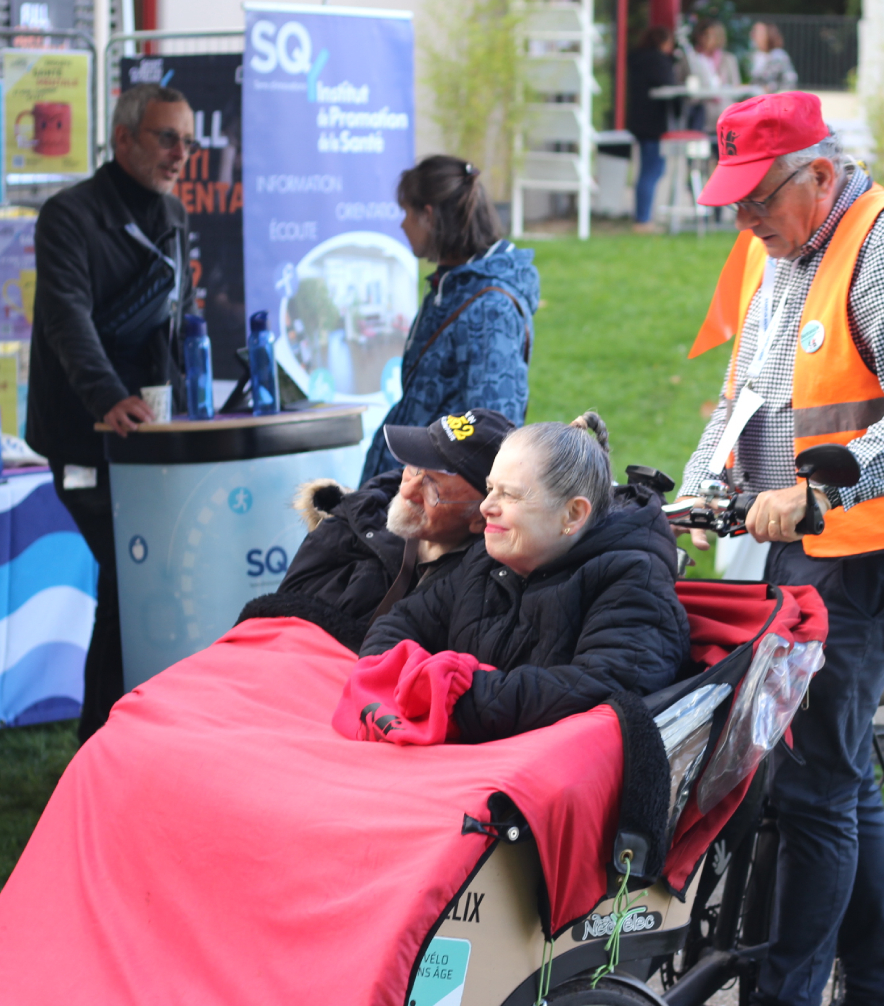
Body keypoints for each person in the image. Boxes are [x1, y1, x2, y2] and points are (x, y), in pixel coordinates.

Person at [678, 92, 884, 1006]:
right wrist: (701, 488)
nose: (744, 219)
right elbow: (746, 394)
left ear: (819, 174)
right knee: (831, 763)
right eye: (733, 201)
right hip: (812, 539)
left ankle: (786, 995)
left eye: (758, 199)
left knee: (810, 781)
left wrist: (824, 487)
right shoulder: (767, 248)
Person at [27, 83, 196, 743]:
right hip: (84, 435)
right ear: (124, 138)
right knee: (131, 577)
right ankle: (105, 739)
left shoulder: (172, 212)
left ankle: (116, 739)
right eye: (166, 137)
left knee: (136, 580)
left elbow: (173, 322)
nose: (181, 153)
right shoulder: (69, 215)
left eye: (188, 139)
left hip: (154, 436)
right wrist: (105, 397)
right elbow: (66, 318)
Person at [360, 413, 689, 743]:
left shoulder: (633, 580)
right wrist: (414, 680)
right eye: (490, 488)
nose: (487, 506)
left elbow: (603, 693)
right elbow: (398, 625)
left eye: (510, 495)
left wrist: (449, 694)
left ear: (573, 514)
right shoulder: (488, 557)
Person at [259, 409, 515, 645]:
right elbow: (271, 624)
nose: (406, 490)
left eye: (432, 488)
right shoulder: (352, 521)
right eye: (414, 467)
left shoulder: (485, 594)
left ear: (481, 517)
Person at [360, 156, 538, 482]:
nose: (402, 225)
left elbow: (491, 435)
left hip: (434, 508)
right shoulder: (451, 285)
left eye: (407, 213)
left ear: (428, 216)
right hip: (407, 491)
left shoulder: (490, 308)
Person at [627, 25, 678, 234]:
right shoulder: (658, 61)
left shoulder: (636, 59)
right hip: (653, 122)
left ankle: (642, 216)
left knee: (646, 170)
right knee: (652, 170)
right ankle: (643, 220)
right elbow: (669, 85)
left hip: (638, 120)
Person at [683, 20, 742, 132]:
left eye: (711, 35)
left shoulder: (728, 59)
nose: (707, 39)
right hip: (700, 110)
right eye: (704, 35)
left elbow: (735, 85)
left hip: (724, 109)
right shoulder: (690, 59)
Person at [749, 21, 799, 94]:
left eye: (758, 33)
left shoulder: (779, 56)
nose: (753, 35)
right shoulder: (753, 56)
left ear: (769, 35)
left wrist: (770, 87)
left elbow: (790, 80)